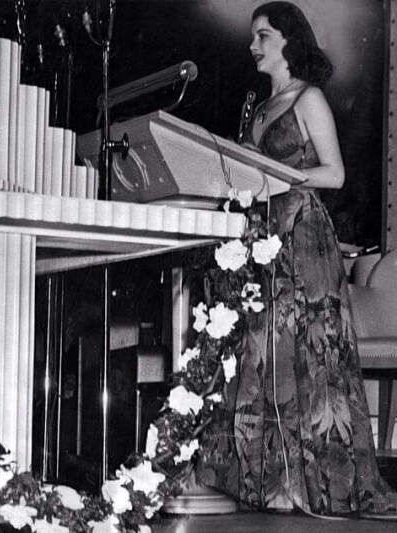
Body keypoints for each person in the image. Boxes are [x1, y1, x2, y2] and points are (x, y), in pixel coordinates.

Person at [223, 1, 397, 518]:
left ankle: (323, 484)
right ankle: (276, 483)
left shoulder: (309, 97)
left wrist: (281, 178)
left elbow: (335, 174)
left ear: (289, 42)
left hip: (302, 235)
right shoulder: (257, 107)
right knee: (265, 355)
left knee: (308, 355)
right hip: (260, 237)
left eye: (263, 36)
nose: (253, 46)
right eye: (254, 37)